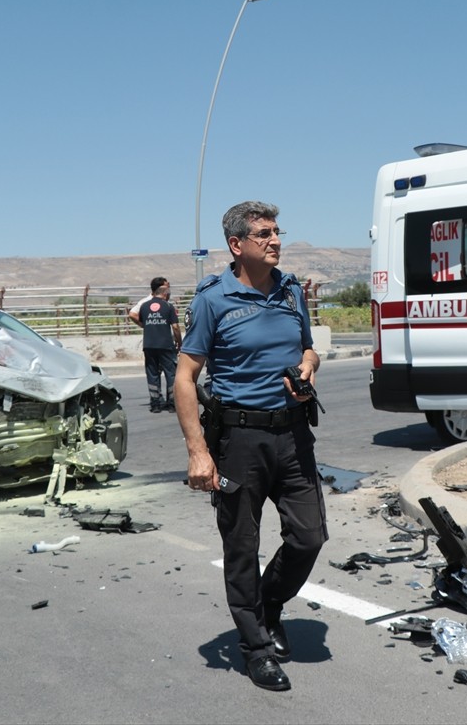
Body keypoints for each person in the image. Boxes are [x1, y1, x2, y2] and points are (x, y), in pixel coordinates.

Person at [174, 201, 325, 693]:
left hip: (293, 434)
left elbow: (308, 347)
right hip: (239, 440)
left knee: (309, 536)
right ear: (237, 245)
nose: (275, 240)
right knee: (241, 545)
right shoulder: (213, 300)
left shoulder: (290, 290)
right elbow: (185, 376)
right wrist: (198, 452)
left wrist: (308, 367)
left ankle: (268, 604)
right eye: (264, 233)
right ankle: (256, 648)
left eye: (277, 231)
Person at [134, 278, 181, 412]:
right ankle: (172, 404)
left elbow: (142, 322)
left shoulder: (144, 306)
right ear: (165, 294)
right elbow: (175, 327)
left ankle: (155, 404)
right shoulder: (168, 306)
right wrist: (179, 342)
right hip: (165, 345)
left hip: (149, 345)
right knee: (170, 373)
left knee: (152, 374)